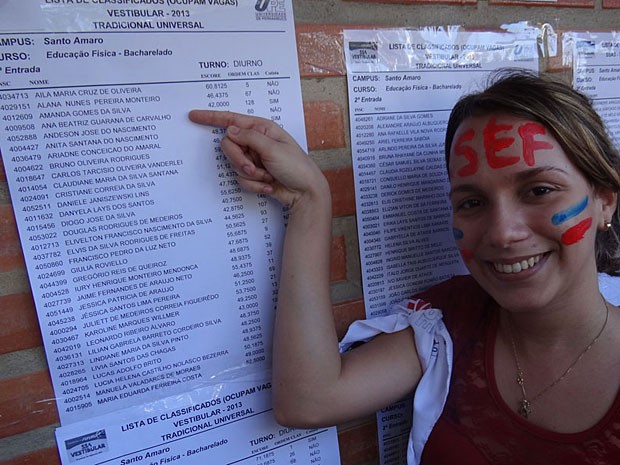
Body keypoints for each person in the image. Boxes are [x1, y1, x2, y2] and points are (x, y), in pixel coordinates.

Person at [189, 69, 620, 464]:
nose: (503, 232)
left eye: (539, 190)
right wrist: (309, 201)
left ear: (605, 199)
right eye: (471, 202)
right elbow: (308, 400)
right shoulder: (450, 322)